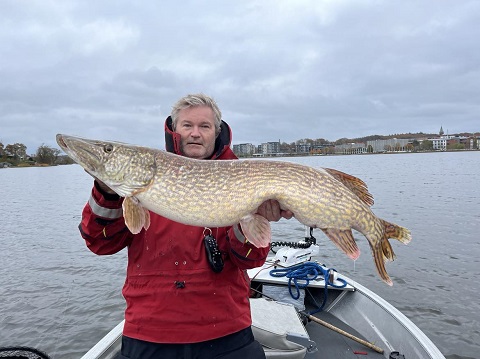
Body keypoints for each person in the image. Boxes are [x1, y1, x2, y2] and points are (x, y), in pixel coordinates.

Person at [79, 93, 293, 359]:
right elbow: (100, 243)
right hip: (151, 330)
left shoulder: (242, 176)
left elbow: (249, 259)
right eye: (187, 125)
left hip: (225, 329)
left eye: (204, 126)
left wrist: (256, 216)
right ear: (174, 130)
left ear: (217, 132)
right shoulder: (138, 182)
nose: (195, 133)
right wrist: (106, 190)